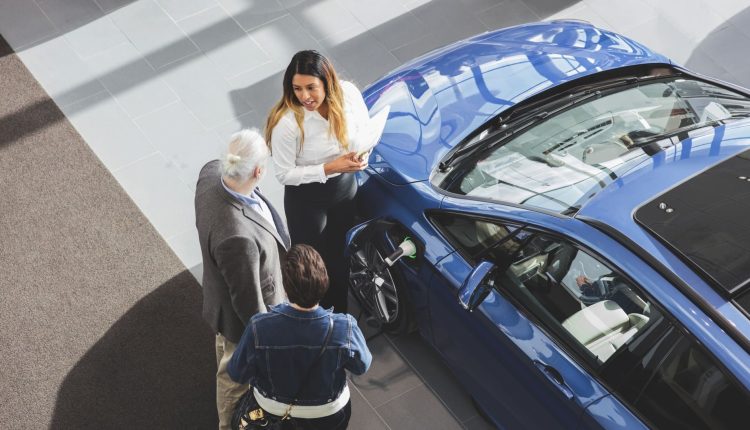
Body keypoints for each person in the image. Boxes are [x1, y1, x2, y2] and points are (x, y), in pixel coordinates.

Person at [195, 129, 291, 430]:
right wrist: (266, 338)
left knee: (224, 349)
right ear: (258, 171)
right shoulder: (237, 237)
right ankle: (228, 423)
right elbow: (247, 301)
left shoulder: (210, 174)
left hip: (219, 295)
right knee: (234, 376)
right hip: (239, 318)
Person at [265, 50, 370, 313]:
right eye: (297, 89)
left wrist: (364, 155)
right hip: (306, 201)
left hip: (344, 189)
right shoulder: (287, 123)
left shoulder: (348, 95)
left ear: (327, 82)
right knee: (310, 268)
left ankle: (340, 314)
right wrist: (331, 167)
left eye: (311, 87)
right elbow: (284, 174)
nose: (304, 96)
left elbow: (365, 130)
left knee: (340, 258)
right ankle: (312, 316)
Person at [228, 244, 372, 429]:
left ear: (286, 288)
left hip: (273, 413)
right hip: (329, 414)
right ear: (324, 281)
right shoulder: (345, 327)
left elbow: (237, 373)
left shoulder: (259, 327)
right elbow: (361, 366)